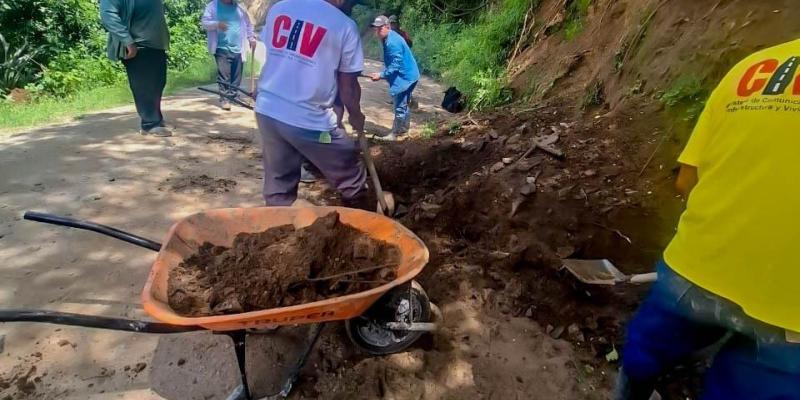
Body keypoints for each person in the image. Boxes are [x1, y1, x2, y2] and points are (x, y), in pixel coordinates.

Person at [616, 39, 800, 400]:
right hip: (789, 312)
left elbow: (687, 180)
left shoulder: (751, 67)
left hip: (695, 271)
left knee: (645, 354)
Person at [254, 0, 373, 210]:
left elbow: (273, 56)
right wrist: (356, 115)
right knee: (350, 173)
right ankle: (363, 233)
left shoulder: (280, 8)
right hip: (307, 120)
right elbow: (348, 87)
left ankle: (275, 232)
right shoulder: (344, 25)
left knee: (279, 188)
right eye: (350, 3)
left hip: (267, 111)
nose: (350, 8)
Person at [100, 0, 172, 137]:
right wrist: (127, 40)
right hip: (137, 46)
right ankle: (150, 124)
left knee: (158, 83)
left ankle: (156, 118)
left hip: (156, 44)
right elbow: (108, 15)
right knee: (144, 86)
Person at [369, 15, 420, 140]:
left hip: (405, 77)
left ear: (387, 26)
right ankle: (403, 129)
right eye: (376, 28)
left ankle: (395, 134)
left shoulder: (392, 42)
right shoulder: (389, 37)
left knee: (399, 105)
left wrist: (381, 75)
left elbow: (395, 65)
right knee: (403, 103)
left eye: (380, 28)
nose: (377, 31)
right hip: (411, 75)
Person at [201, 0, 256, 111]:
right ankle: (225, 98)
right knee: (224, 74)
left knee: (236, 75)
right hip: (221, 47)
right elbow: (204, 23)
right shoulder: (212, 6)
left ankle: (233, 96)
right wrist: (217, 24)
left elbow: (248, 24)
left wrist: (251, 38)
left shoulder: (240, 8)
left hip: (238, 48)